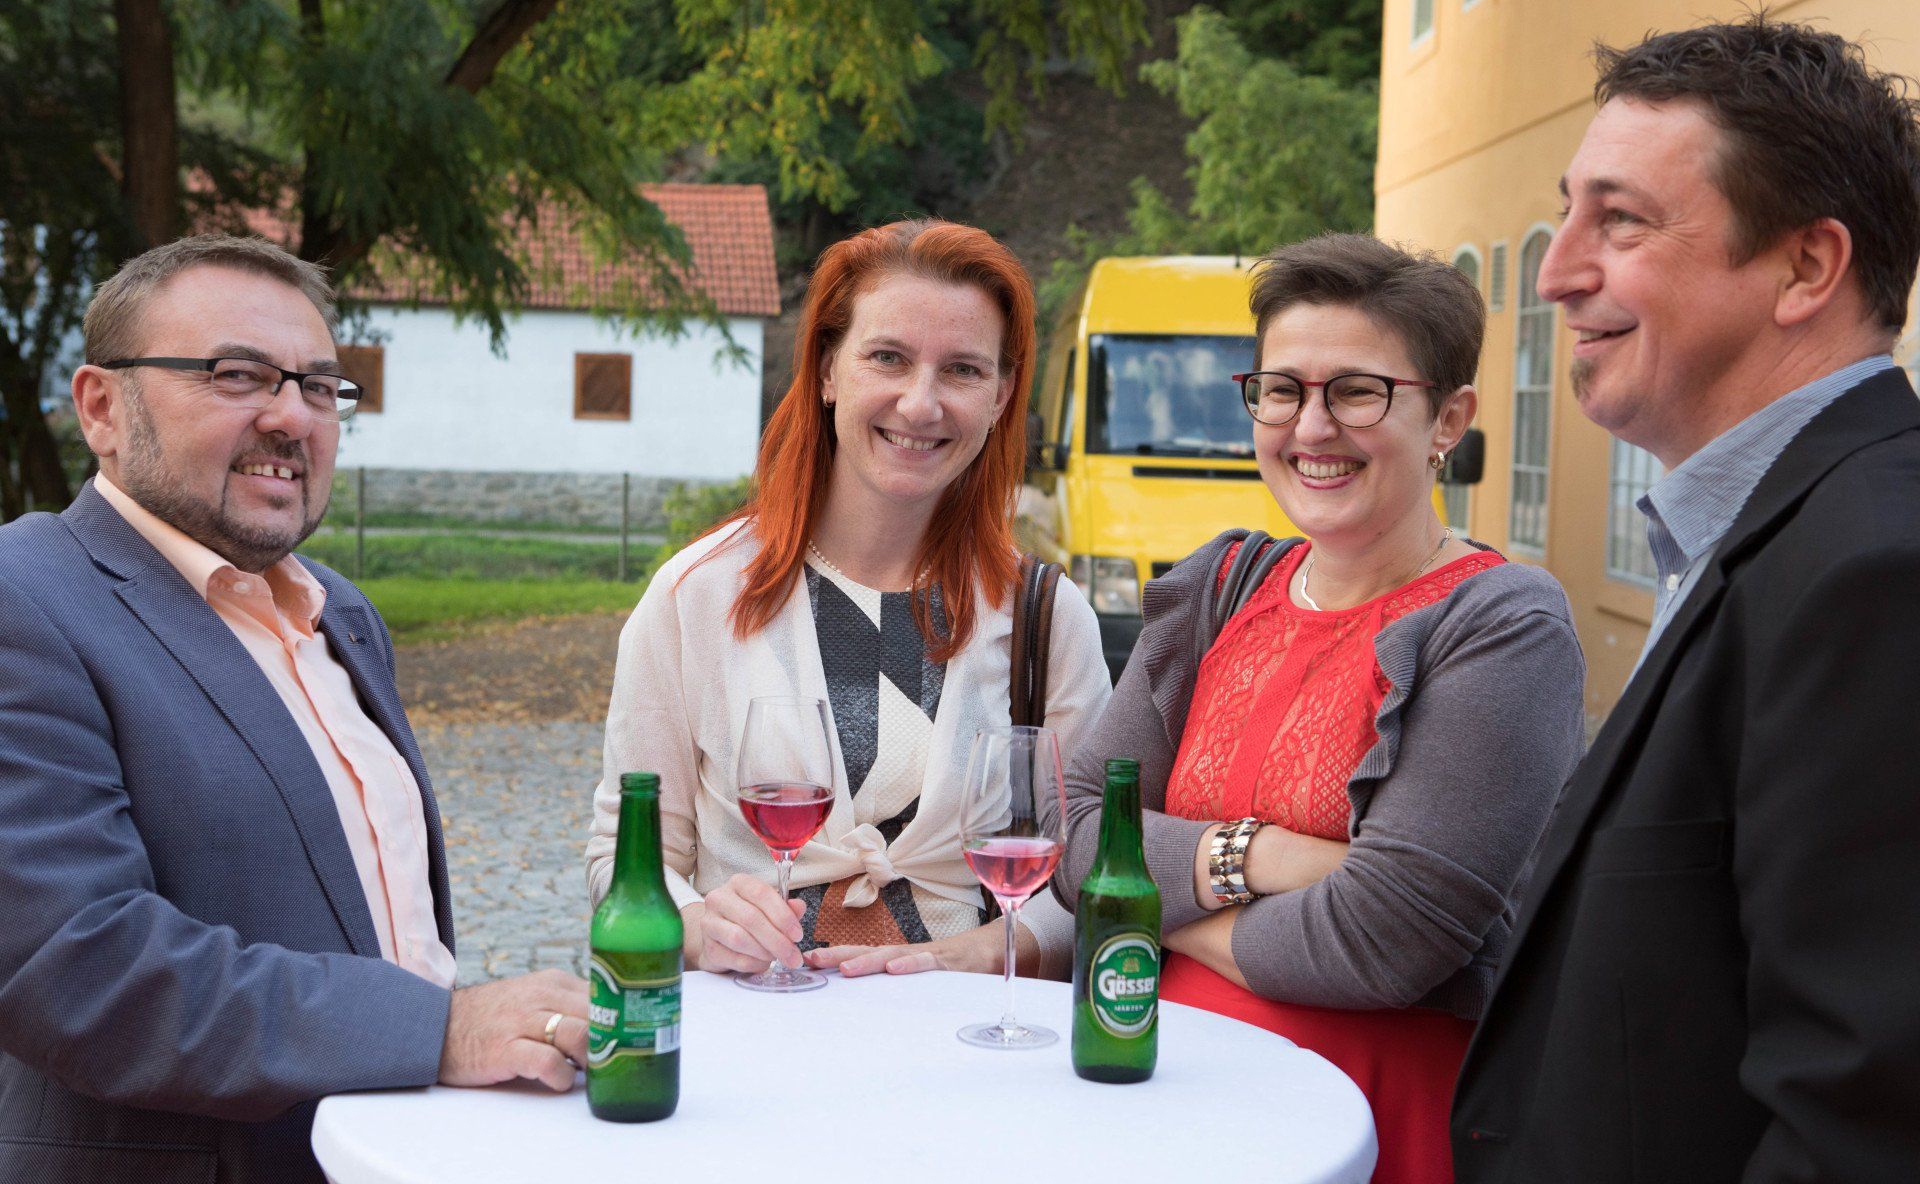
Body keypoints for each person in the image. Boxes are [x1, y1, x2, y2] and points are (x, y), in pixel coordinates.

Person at [0, 235, 591, 1184]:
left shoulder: (339, 611)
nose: (292, 416)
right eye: (238, 375)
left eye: (321, 387)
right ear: (101, 408)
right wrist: (437, 1029)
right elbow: (79, 968)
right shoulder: (24, 600)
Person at [1452, 16, 1920, 1182]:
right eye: (1567, 213)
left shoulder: (1877, 569)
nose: (1556, 271)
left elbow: (1860, 1116)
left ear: (1807, 267)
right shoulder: (1763, 534)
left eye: (1621, 221)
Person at [1054, 234, 1586, 1184]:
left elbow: (1384, 942)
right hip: (1151, 1093)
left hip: (1362, 1121)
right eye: (1283, 389)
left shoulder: (1503, 623)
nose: (1311, 427)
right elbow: (1076, 830)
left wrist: (1139, 911)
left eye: (1357, 391)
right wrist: (1269, 857)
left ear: (1448, 418)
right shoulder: (1221, 586)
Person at [587, 219, 1108, 981]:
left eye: (962, 370)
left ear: (1001, 396)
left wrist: (984, 952)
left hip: (958, 1047)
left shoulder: (1046, 618)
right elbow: (621, 863)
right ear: (828, 369)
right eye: (888, 357)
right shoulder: (694, 596)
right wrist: (701, 926)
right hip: (759, 1033)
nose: (921, 403)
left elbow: (1088, 880)